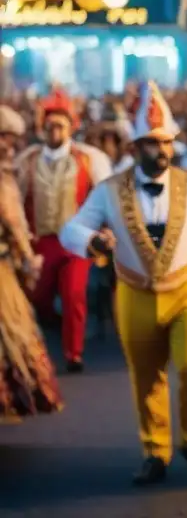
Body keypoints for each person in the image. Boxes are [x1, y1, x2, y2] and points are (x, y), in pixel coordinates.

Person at [59, 81, 187, 483]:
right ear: (135, 148)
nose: (162, 151)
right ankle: (155, 450)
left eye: (167, 143)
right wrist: (92, 240)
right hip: (134, 292)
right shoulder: (109, 191)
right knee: (146, 375)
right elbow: (71, 229)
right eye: (153, 144)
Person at [15, 88, 112, 372]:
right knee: (37, 296)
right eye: (50, 126)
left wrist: (104, 231)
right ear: (42, 128)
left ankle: (74, 353)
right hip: (41, 241)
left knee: (74, 294)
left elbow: (104, 197)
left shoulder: (88, 159)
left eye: (60, 125)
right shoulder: (28, 160)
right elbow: (17, 200)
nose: (54, 130)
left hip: (77, 241)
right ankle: (52, 324)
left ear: (71, 128)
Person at [0, 104, 63, 422]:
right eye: (4, 138)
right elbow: (13, 223)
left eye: (11, 139)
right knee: (12, 334)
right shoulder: (3, 178)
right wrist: (27, 258)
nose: (9, 146)